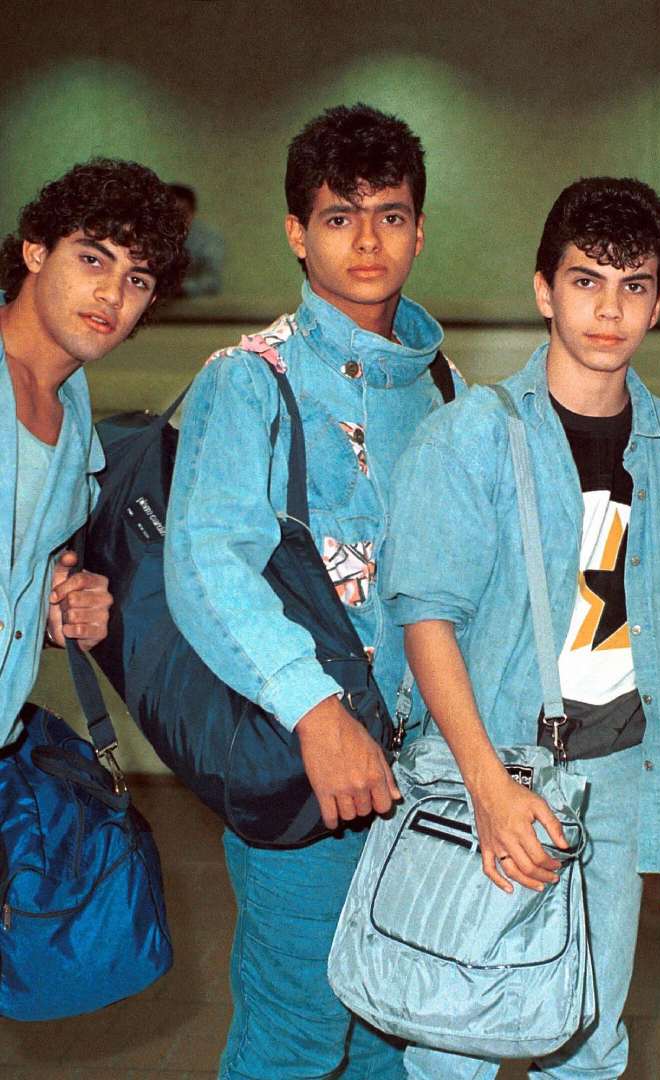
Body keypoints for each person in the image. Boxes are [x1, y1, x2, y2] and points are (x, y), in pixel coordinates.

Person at [383, 176, 660, 1078]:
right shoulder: (473, 438)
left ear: (658, 301)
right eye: (586, 281)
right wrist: (488, 788)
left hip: (619, 774)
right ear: (544, 290)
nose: (609, 310)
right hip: (490, 767)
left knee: (588, 1037)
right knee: (449, 1037)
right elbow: (427, 623)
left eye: (634, 285)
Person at [165, 103, 461, 1080]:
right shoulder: (251, 381)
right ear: (298, 233)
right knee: (295, 1036)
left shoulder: (443, 383)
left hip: (424, 778)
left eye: (389, 213)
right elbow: (207, 564)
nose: (368, 238)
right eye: (340, 216)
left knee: (389, 1032)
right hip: (306, 769)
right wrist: (316, 709)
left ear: (420, 227)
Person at [0, 158, 188, 748]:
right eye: (92, 258)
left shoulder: (78, 428)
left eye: (137, 280)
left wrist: (50, 615)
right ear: (35, 251)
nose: (111, 293)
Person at [169, 183, 225, 298]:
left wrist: (184, 288)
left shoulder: (208, 239)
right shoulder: (149, 238)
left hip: (196, 308)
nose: (177, 219)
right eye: (171, 213)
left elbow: (212, 281)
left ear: (193, 212)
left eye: (182, 213)